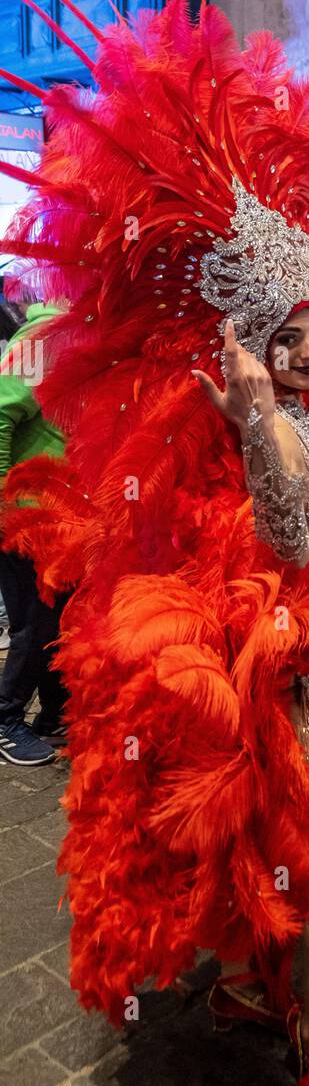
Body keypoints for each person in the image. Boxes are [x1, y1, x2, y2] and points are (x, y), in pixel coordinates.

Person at [0, 0, 309, 1086]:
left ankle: (256, 984)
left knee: (281, 859)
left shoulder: (290, 422)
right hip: (237, 687)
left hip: (284, 678)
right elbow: (294, 533)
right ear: (245, 339)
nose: (301, 352)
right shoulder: (237, 425)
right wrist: (247, 422)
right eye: (281, 337)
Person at [0, 299, 67, 764]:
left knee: (56, 621)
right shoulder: (44, 339)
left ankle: (53, 716)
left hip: (63, 521)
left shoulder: (87, 337)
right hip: (25, 516)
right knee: (31, 624)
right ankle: (4, 719)